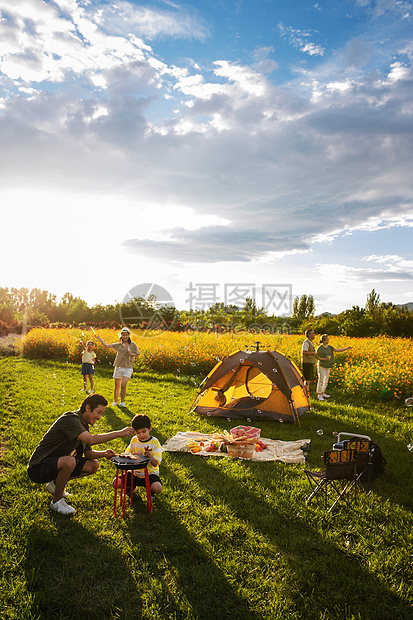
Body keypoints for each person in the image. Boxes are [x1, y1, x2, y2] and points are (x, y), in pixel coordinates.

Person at [27, 393, 135, 515]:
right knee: (69, 461)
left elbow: (88, 454)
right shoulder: (70, 419)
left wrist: (104, 453)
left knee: (93, 465)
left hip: (55, 464)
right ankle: (56, 502)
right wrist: (119, 433)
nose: (99, 417)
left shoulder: (84, 425)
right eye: (98, 412)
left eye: (101, 414)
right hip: (38, 467)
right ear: (88, 408)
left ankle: (55, 484)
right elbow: (90, 439)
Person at [113, 413, 162, 501]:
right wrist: (133, 455)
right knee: (116, 483)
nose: (141, 435)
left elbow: (155, 464)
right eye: (137, 432)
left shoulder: (155, 442)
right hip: (134, 473)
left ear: (150, 428)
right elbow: (126, 455)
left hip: (149, 473)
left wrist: (149, 455)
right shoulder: (134, 440)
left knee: (157, 488)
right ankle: (130, 487)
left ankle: (150, 491)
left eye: (144, 431)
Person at [92, 326, 139, 407]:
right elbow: (106, 345)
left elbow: (137, 353)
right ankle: (115, 401)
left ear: (128, 335)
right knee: (117, 385)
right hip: (119, 367)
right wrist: (99, 338)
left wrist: (132, 354)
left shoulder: (133, 345)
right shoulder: (118, 345)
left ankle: (122, 402)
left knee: (123, 385)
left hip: (128, 368)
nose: (125, 337)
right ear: (121, 336)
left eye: (126, 335)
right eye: (123, 335)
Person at [316, 334, 352, 401]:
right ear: (323, 340)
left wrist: (346, 348)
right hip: (322, 365)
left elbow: (337, 350)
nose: (328, 340)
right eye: (327, 339)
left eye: (328, 339)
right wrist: (324, 359)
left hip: (328, 365)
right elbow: (317, 357)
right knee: (321, 380)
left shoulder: (329, 347)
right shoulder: (320, 348)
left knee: (326, 380)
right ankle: (319, 395)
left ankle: (322, 392)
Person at [301, 328, 317, 397]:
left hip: (310, 362)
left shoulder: (311, 342)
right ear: (308, 334)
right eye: (312, 333)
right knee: (307, 379)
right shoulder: (306, 343)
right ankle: (305, 393)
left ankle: (305, 393)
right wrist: (313, 353)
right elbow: (304, 352)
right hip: (306, 362)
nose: (314, 335)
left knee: (309, 379)